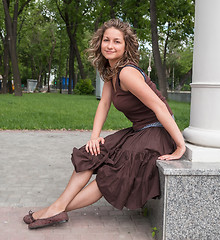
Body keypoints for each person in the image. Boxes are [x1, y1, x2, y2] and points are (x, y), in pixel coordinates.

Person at [23, 19, 186, 229]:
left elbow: (160, 107)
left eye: (117, 41)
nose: (110, 45)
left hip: (157, 133)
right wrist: (94, 136)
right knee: (90, 153)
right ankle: (56, 209)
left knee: (112, 172)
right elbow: (105, 104)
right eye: (106, 40)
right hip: (139, 130)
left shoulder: (127, 72)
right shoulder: (112, 70)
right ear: (99, 42)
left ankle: (54, 209)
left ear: (126, 46)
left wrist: (180, 145)